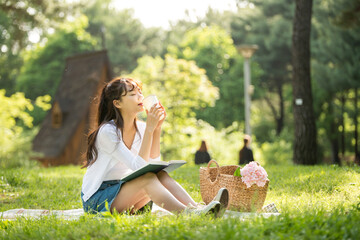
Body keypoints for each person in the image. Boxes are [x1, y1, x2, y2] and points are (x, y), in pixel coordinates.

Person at [80, 77, 228, 217]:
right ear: (117, 103)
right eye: (132, 94)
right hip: (98, 199)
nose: (140, 96)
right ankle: (190, 214)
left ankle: (196, 208)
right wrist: (150, 129)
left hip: (123, 191)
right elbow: (139, 168)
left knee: (160, 174)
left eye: (140, 92)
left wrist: (156, 129)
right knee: (148, 178)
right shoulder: (108, 131)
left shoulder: (142, 127)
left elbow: (153, 162)